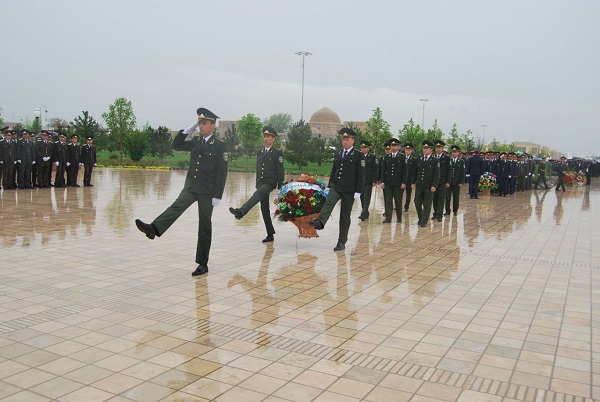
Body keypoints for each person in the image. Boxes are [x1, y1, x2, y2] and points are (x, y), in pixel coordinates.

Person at [135, 107, 228, 276]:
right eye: (199, 123)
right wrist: (187, 131)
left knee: (205, 226)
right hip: (192, 186)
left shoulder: (220, 146)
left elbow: (222, 172)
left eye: (204, 123)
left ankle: (202, 263)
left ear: (213, 125)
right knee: (176, 206)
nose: (201, 126)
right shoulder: (196, 142)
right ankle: (154, 229)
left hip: (207, 192)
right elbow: (176, 145)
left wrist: (217, 195)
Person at [309, 127, 365, 251]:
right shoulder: (338, 153)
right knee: (329, 202)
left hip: (349, 190)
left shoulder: (358, 155)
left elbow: (361, 175)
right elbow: (334, 171)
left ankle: (341, 241)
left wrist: (358, 191)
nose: (345, 142)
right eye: (343, 139)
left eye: (347, 139)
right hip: (336, 186)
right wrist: (329, 186)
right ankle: (320, 222)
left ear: (352, 141)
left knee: (345, 216)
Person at [229, 126, 284, 242]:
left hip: (270, 182)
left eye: (269, 137)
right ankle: (270, 234)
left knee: (256, 196)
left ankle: (241, 212)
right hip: (261, 182)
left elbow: (280, 170)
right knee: (264, 209)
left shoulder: (277, 153)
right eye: (265, 136)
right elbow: (259, 168)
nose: (266, 139)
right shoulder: (260, 152)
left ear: (274, 139)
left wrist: (281, 186)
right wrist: (257, 182)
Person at [379, 138, 407, 223]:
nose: (393, 147)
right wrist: (382, 181)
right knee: (388, 201)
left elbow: (405, 171)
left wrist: (404, 182)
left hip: (398, 183)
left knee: (398, 201)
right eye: (392, 146)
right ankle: (388, 218)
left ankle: (399, 217)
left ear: (398, 147)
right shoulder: (386, 157)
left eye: (395, 146)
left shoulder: (402, 157)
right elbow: (383, 170)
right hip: (388, 183)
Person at [413, 140, 440, 227]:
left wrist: (434, 185)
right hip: (420, 185)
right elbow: (415, 172)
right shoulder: (419, 159)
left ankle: (424, 220)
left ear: (431, 150)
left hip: (429, 186)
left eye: (427, 148)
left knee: (427, 204)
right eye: (424, 148)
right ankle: (421, 218)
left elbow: (436, 175)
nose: (425, 150)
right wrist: (413, 182)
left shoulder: (435, 160)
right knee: (417, 202)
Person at [358, 140, 378, 221]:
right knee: (362, 197)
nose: (363, 149)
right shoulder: (359, 156)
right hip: (360, 181)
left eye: (365, 147)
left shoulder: (372, 157)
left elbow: (375, 169)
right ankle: (365, 212)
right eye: (362, 147)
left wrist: (374, 180)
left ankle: (363, 213)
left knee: (367, 197)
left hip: (368, 181)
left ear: (368, 148)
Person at [432, 140, 450, 222]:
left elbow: (448, 170)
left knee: (441, 198)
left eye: (440, 147)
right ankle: (435, 213)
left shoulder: (446, 158)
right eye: (437, 147)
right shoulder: (433, 157)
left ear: (443, 148)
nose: (438, 149)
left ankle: (440, 214)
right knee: (434, 198)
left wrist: (448, 181)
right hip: (434, 182)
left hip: (442, 181)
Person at [445, 145, 465, 215]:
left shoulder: (461, 161)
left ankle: (455, 210)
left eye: (455, 152)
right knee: (447, 197)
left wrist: (461, 182)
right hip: (449, 182)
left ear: (458, 153)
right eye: (453, 152)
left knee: (456, 198)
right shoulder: (448, 160)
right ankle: (447, 210)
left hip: (457, 183)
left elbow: (462, 172)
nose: (454, 153)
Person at [403, 143, 418, 212]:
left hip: (409, 180)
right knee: (399, 194)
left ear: (411, 151)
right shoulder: (402, 158)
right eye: (406, 150)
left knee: (408, 194)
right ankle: (398, 205)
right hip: (402, 180)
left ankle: (406, 206)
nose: (407, 151)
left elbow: (414, 171)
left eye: (409, 150)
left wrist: (413, 182)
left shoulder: (414, 160)